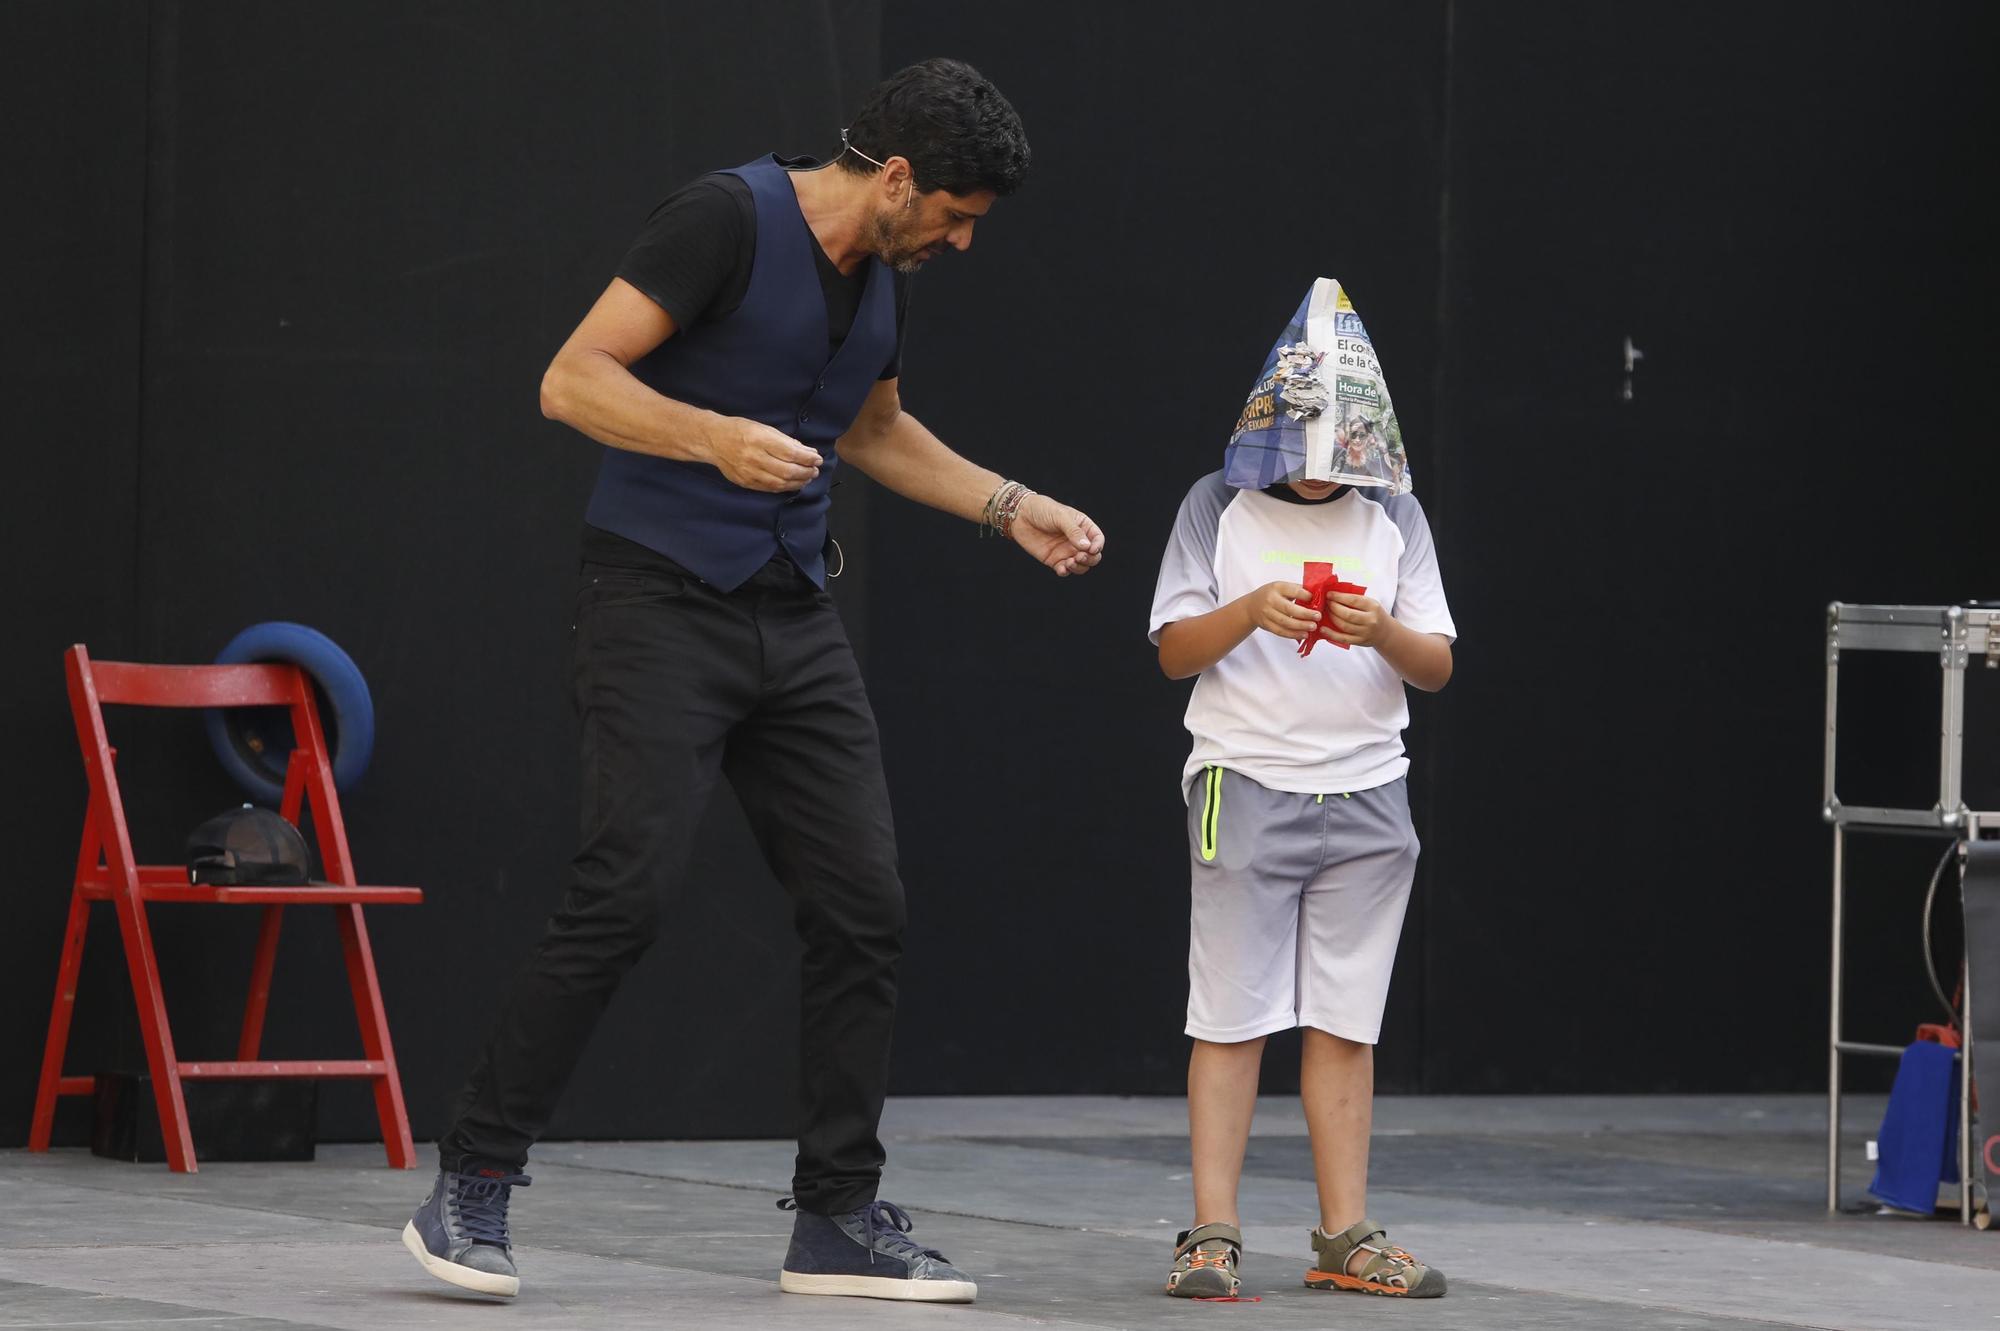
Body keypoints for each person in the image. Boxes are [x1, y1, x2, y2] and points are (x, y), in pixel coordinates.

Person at [402, 57, 1104, 1305]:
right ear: (896, 176)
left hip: (790, 611)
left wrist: (1011, 506)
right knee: (625, 891)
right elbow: (572, 379)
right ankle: (472, 1179)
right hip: (655, 600)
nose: (957, 239)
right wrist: (709, 434)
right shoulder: (726, 216)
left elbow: (873, 428)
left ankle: (833, 1214)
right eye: (951, 214)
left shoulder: (880, 279)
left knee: (863, 902)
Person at [1146, 290, 1454, 1300]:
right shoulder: (1214, 506)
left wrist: (1379, 631)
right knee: (1228, 1013)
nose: (1323, 457)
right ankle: (1210, 1229)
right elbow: (1173, 650)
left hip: (1366, 787)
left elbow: (1435, 664)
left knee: (1343, 1017)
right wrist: (1247, 610)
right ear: (1267, 417)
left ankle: (1344, 1233)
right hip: (1245, 777)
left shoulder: (1394, 516)